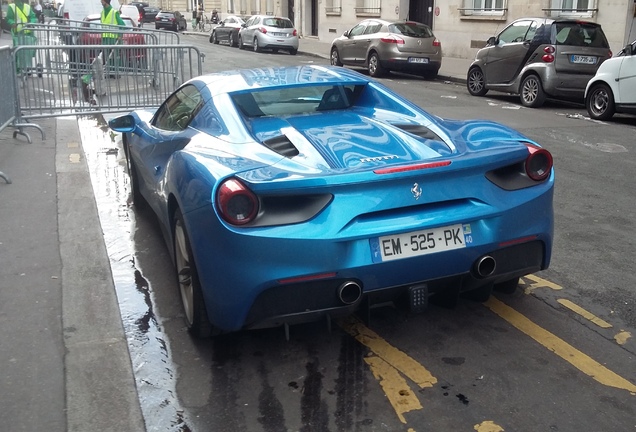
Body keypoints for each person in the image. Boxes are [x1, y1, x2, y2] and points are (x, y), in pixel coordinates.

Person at [6, 0, 37, 73]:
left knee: (27, 51)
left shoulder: (27, 7)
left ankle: (26, 67)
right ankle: (18, 68)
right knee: (18, 51)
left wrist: (31, 23)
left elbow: (33, 17)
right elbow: (9, 18)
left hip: (28, 33)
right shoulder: (11, 7)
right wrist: (12, 23)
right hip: (17, 33)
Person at [100, 0, 124, 76]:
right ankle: (109, 73)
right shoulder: (102, 12)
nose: (101, 2)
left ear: (106, 1)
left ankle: (116, 73)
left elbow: (122, 25)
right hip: (105, 39)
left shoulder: (114, 12)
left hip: (114, 39)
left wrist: (120, 35)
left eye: (102, 0)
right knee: (107, 57)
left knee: (115, 57)